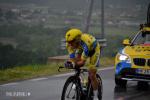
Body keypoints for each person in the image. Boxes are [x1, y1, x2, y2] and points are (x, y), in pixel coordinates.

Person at [64, 28, 101, 98]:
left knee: (91, 74)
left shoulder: (85, 44)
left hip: (93, 50)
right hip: (81, 48)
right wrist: (71, 63)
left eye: (71, 42)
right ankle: (81, 83)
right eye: (68, 42)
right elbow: (73, 59)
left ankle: (96, 94)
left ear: (77, 39)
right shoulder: (69, 44)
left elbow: (82, 62)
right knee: (76, 64)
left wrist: (75, 64)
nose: (70, 44)